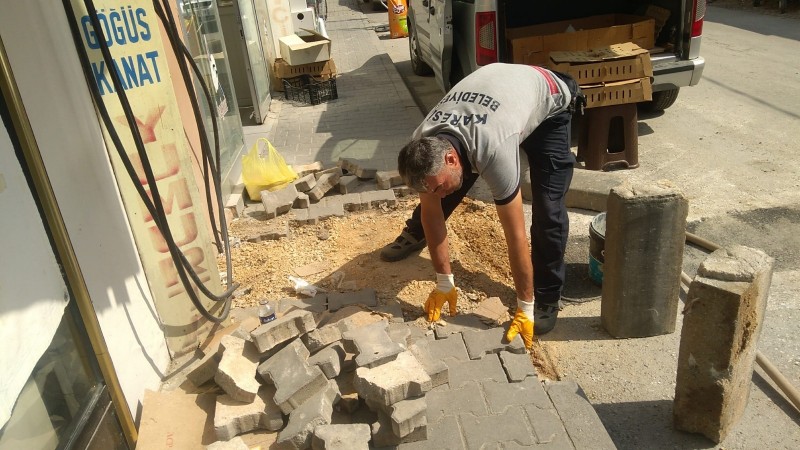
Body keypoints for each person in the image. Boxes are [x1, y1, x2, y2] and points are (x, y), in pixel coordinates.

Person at [380, 63, 585, 347]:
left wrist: (524, 307)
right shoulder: (423, 146)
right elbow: (432, 212)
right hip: (500, 98)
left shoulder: (493, 148)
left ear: (451, 158)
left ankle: (547, 296)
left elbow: (515, 237)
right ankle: (415, 234)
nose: (435, 193)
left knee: (548, 210)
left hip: (550, 103)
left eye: (437, 186)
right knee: (443, 190)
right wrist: (444, 282)